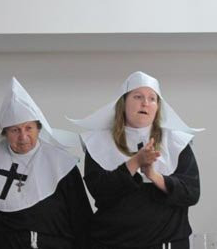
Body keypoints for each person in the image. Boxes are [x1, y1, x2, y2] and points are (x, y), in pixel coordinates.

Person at [69, 71, 202, 249]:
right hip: (112, 242)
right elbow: (100, 191)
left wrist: (154, 176)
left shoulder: (176, 142)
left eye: (152, 98)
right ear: (123, 103)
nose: (145, 103)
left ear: (158, 107)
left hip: (167, 242)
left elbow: (191, 194)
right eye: (138, 96)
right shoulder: (98, 142)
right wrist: (135, 163)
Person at [0, 78, 92, 249]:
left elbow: (81, 219)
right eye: (15, 130)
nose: (23, 137)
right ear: (4, 133)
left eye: (28, 128)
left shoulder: (61, 163)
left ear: (39, 128)